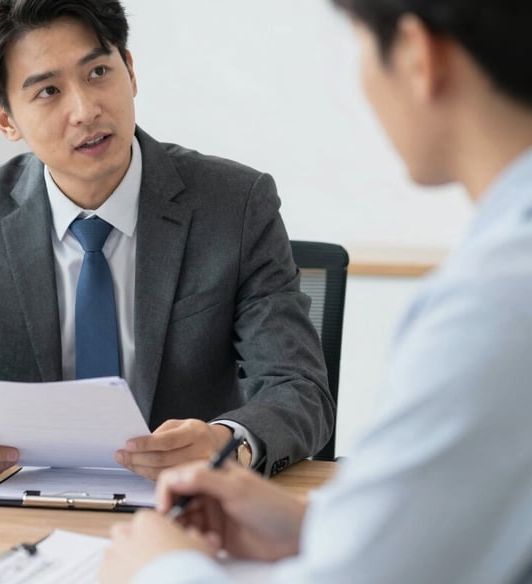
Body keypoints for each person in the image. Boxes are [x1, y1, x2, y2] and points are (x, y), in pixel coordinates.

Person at [100, 0, 532, 582]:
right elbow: (465, 502)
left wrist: (162, 569)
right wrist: (312, 521)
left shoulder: (494, 303)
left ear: (415, 54)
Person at [0, 0, 333, 486]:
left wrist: (226, 443)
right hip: (22, 510)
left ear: (130, 71)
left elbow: (298, 389)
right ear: (6, 121)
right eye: (48, 91)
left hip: (191, 510)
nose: (86, 110)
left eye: (99, 72)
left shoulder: (234, 206)